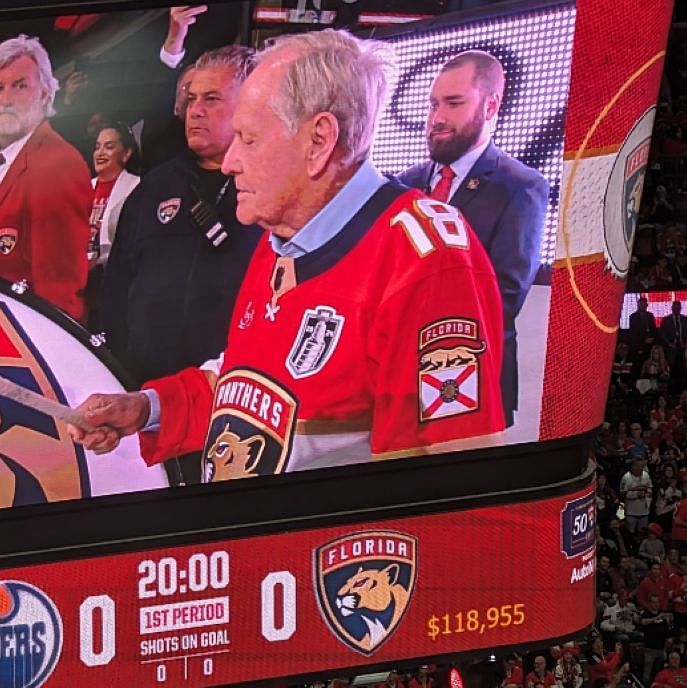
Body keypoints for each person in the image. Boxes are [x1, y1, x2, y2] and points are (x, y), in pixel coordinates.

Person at [71, 30, 506, 477]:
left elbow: (456, 486)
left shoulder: (426, 259)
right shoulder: (279, 235)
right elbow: (245, 383)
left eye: (249, 139)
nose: (231, 161)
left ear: (318, 140)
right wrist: (146, 408)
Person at [396, 51, 548, 425]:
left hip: (470, 381)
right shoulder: (402, 184)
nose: (437, 118)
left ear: (491, 104)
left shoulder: (520, 187)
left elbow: (504, 296)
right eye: (433, 104)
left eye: (453, 103)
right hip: (394, 382)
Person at [100, 47, 264, 391]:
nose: (195, 111)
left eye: (212, 99)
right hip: (147, 391)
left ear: (251, 104)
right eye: (191, 100)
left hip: (235, 387)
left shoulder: (272, 187)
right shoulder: (155, 187)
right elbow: (117, 286)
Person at [0, 35, 93, 321]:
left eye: (20, 86)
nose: (5, 99)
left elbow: (59, 295)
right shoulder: (8, 160)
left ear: (46, 94)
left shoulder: (57, 164)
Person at [88, 124, 140, 269]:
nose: (100, 153)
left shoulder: (137, 187)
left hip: (116, 268)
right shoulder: (83, 187)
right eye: (97, 147)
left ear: (126, 153)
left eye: (109, 147)